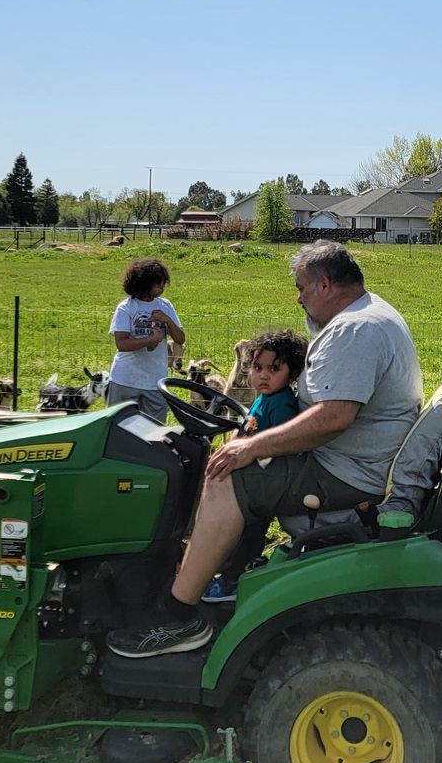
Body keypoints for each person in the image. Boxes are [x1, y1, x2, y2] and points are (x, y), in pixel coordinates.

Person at [107, 241, 422, 657]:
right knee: (234, 465)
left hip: (348, 473)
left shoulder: (354, 330)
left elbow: (334, 417)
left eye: (302, 288)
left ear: (324, 284)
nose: (299, 298)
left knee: (227, 475)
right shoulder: (371, 313)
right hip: (355, 461)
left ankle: (177, 615)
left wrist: (251, 448)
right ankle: (218, 572)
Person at [201, 327, 307, 604]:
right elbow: (246, 429)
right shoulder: (264, 397)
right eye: (257, 367)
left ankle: (233, 579)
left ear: (291, 373)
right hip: (248, 470)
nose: (263, 375)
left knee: (247, 530)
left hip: (264, 478)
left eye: (274, 369)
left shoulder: (282, 404)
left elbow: (281, 442)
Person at [105, 257, 185, 421]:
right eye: (159, 284)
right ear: (144, 284)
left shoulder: (165, 306)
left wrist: (167, 320)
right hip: (125, 380)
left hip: (155, 381)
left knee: (154, 431)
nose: (163, 287)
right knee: (119, 428)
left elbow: (180, 338)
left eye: (164, 283)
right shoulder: (126, 308)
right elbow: (122, 344)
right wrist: (150, 340)